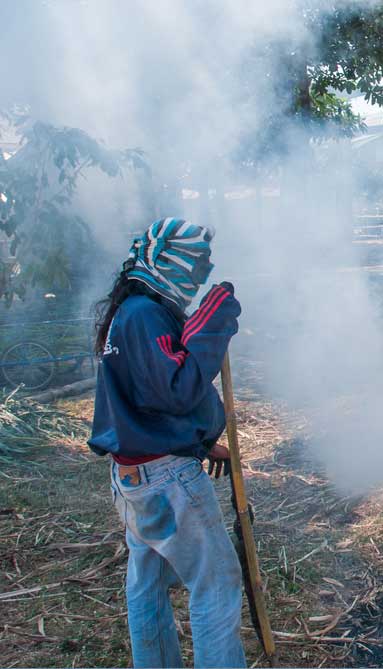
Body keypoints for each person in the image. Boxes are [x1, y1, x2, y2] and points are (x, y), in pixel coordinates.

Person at [89, 218, 246, 668]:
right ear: (166, 263)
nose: (197, 278)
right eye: (194, 266)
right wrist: (214, 324)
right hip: (165, 480)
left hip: (135, 474)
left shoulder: (131, 311)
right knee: (215, 583)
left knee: (148, 584)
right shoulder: (144, 314)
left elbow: (143, 401)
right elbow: (176, 390)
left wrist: (198, 443)